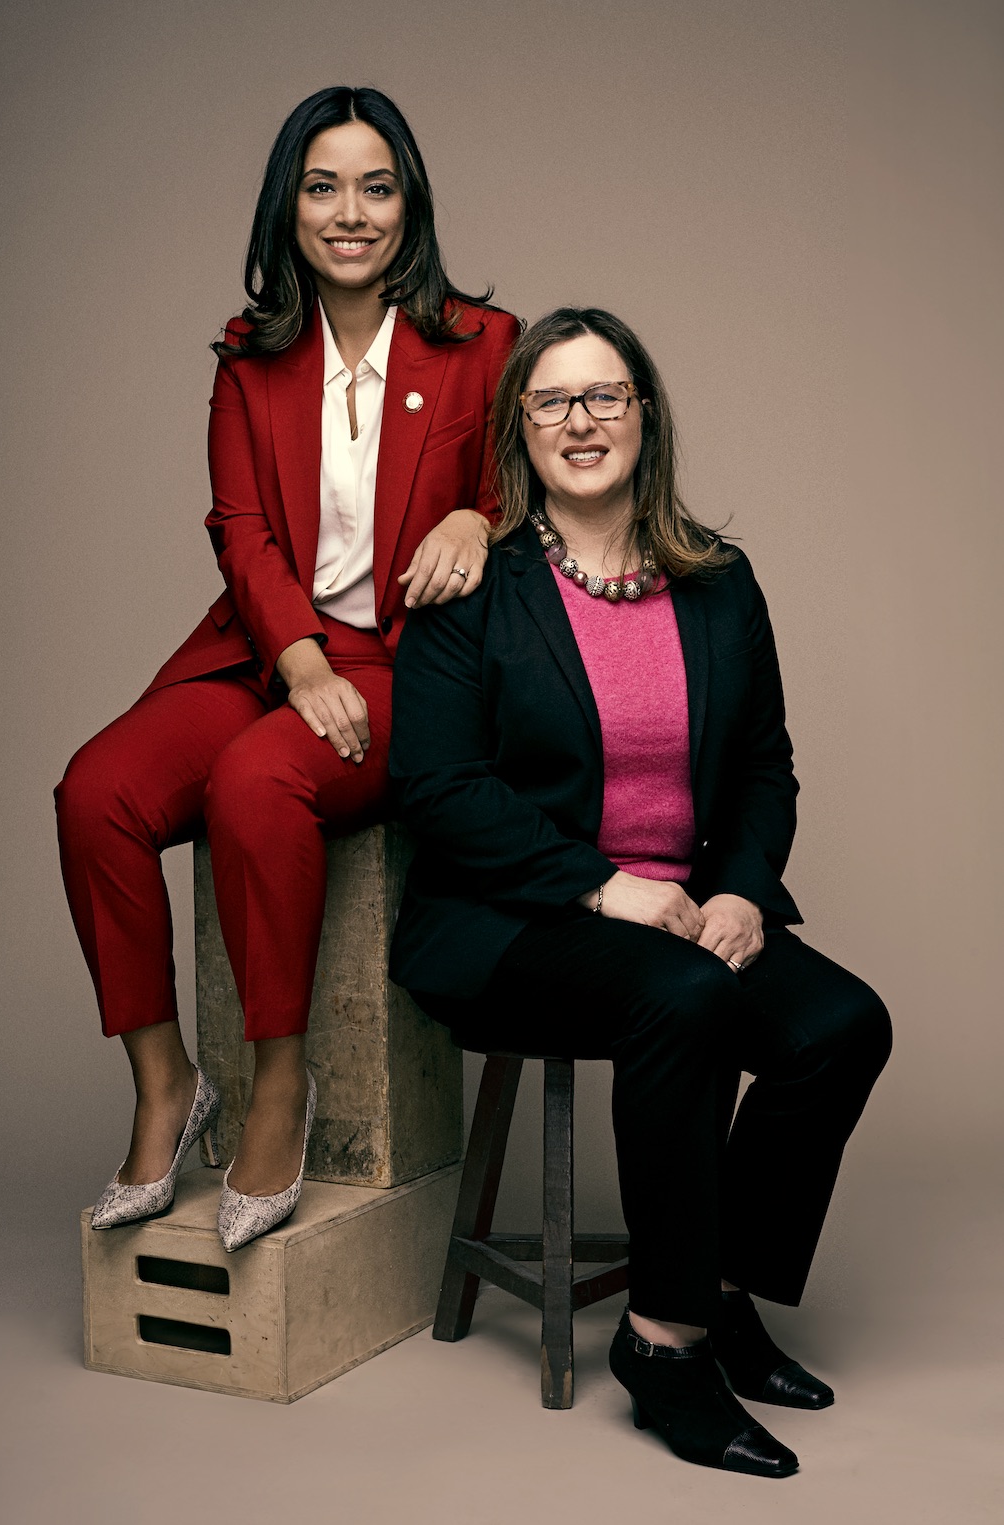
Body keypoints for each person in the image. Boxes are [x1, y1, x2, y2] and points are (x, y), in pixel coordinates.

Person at [388, 307, 891, 1477]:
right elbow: (439, 789)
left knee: (839, 1026)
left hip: (681, 911)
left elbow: (765, 763)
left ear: (645, 416)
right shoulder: (477, 585)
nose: (583, 421)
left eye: (606, 396)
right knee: (683, 998)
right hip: (512, 927)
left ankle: (714, 1296)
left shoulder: (717, 579)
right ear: (521, 423)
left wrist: (746, 890)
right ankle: (663, 1350)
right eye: (555, 400)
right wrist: (603, 886)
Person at [55, 86, 518, 1252]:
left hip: (408, 666)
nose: (350, 211)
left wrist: (483, 522)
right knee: (94, 793)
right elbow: (241, 529)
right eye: (323, 186)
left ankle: (276, 1081)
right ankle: (167, 1081)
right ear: (288, 208)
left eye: (376, 184)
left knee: (259, 782)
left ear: (409, 204)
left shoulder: (482, 344)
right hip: (268, 647)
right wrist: (300, 657)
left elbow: (534, 485)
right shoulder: (248, 358)